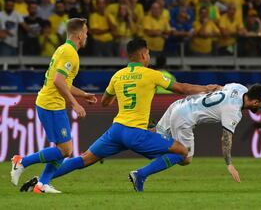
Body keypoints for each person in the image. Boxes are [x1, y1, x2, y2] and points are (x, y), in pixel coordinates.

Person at [20, 38, 220, 193]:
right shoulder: (152, 75)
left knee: (84, 159)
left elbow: (106, 102)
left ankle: (41, 181)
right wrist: (206, 88)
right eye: (148, 54)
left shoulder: (118, 76)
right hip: (136, 132)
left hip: (116, 130)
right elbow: (182, 88)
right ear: (143, 56)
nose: (149, 57)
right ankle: (140, 175)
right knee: (182, 152)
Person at [11, 18, 97, 193]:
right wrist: (75, 104)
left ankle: (42, 185)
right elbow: (58, 81)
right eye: (86, 32)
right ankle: (22, 162)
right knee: (65, 150)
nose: (86, 35)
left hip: (51, 103)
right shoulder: (69, 53)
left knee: (64, 149)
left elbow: (64, 82)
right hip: (51, 105)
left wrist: (83, 94)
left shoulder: (63, 49)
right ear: (80, 34)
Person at [155, 83, 261, 182]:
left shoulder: (239, 88)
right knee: (185, 158)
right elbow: (226, 138)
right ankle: (147, 166)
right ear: (255, 102)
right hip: (183, 118)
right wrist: (229, 164)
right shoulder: (233, 111)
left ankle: (149, 139)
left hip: (180, 103)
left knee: (154, 133)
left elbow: (215, 87)